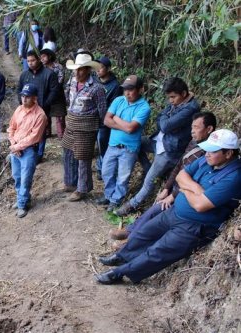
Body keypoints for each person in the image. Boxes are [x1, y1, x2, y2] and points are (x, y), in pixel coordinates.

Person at [96, 129, 241, 285]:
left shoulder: (234, 176)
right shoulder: (208, 161)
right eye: (207, 149)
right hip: (174, 212)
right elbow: (181, 175)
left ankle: (120, 273)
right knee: (144, 234)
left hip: (195, 226)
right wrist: (194, 188)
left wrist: (185, 188)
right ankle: (121, 257)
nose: (207, 154)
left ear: (228, 154)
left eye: (213, 151)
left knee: (158, 251)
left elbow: (200, 206)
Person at [108, 112, 217, 245]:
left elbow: (194, 180)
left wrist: (173, 195)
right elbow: (179, 166)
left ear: (209, 129)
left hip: (187, 194)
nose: (192, 131)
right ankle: (132, 232)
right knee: (157, 206)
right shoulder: (194, 142)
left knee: (158, 209)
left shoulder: (210, 154)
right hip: (178, 187)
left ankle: (131, 239)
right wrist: (166, 188)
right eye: (192, 127)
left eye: (196, 127)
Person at [115, 77, 200, 216]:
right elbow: (160, 117)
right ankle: (148, 168)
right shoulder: (177, 102)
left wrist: (164, 120)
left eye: (173, 97)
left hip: (170, 149)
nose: (170, 101)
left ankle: (132, 204)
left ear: (184, 94)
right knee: (135, 143)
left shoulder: (191, 108)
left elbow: (165, 125)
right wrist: (164, 120)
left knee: (149, 180)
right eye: (169, 97)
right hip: (159, 141)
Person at [95, 75, 151, 211]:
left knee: (123, 176)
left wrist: (116, 118)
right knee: (106, 172)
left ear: (140, 89)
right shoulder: (119, 100)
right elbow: (106, 120)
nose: (127, 93)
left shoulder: (144, 107)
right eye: (125, 89)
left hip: (129, 148)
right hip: (113, 144)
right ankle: (108, 195)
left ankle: (116, 200)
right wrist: (123, 124)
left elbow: (131, 128)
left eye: (131, 89)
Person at [61, 52, 107, 200]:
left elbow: (102, 110)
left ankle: (82, 189)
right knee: (68, 152)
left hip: (86, 127)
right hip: (72, 122)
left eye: (80, 69)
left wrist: (98, 128)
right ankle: (70, 182)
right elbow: (69, 97)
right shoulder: (73, 81)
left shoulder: (97, 88)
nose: (77, 72)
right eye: (76, 69)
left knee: (83, 158)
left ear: (88, 70)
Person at [8, 83, 48, 218]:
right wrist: (13, 143)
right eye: (23, 96)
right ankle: (22, 199)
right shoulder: (19, 110)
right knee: (17, 176)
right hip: (16, 149)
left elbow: (34, 137)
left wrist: (17, 147)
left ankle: (22, 204)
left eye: (28, 97)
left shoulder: (40, 115)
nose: (24, 99)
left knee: (25, 179)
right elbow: (11, 128)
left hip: (29, 150)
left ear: (35, 98)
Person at [17, 50, 58, 163]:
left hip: (42, 109)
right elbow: (19, 89)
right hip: (27, 110)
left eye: (33, 60)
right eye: (28, 61)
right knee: (27, 130)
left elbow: (54, 91)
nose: (30, 63)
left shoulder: (49, 74)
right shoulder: (25, 74)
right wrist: (22, 105)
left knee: (41, 132)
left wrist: (45, 103)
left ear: (39, 59)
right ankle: (29, 151)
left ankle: (39, 155)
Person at [95, 56, 123, 180]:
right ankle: (99, 166)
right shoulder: (95, 81)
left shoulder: (115, 85)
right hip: (93, 118)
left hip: (105, 121)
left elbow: (114, 106)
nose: (98, 70)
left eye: (100, 68)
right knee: (97, 144)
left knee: (103, 144)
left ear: (108, 69)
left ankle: (104, 170)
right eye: (96, 68)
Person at [39, 42, 66, 138]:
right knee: (46, 115)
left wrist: (53, 89)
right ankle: (47, 133)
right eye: (41, 57)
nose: (42, 59)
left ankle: (61, 134)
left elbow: (60, 80)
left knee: (59, 116)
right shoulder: (41, 68)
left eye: (44, 57)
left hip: (58, 95)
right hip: (46, 95)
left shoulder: (58, 67)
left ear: (49, 56)